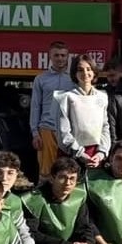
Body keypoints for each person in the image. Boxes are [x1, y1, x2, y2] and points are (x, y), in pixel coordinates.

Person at [21, 157, 97, 244]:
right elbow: (32, 235)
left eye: (72, 179)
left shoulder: (79, 197)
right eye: (62, 177)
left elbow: (85, 227)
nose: (67, 183)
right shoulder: (33, 200)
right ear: (52, 178)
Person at [56, 54, 111, 168]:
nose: (85, 73)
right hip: (71, 154)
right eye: (80, 70)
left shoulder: (102, 96)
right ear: (74, 74)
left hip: (95, 154)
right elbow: (63, 132)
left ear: (94, 71)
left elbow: (105, 127)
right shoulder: (65, 97)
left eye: (88, 69)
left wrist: (101, 153)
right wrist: (80, 154)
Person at [30, 41, 75, 179]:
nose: (60, 58)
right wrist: (35, 133)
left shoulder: (74, 79)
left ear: (68, 57)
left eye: (63, 55)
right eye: (56, 55)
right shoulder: (41, 79)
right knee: (46, 172)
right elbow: (36, 106)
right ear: (50, 56)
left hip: (69, 131)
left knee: (67, 171)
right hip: (47, 129)